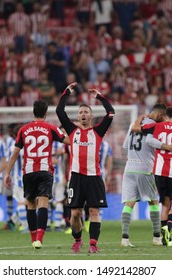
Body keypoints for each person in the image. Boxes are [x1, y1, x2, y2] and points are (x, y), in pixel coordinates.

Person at [56, 82, 115, 254]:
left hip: (94, 177)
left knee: (94, 211)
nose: (83, 114)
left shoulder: (98, 131)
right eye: (80, 112)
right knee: (75, 213)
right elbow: (60, 111)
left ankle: (93, 244)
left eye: (86, 112)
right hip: (76, 177)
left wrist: (100, 97)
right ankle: (77, 239)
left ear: (90, 116)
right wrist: (66, 92)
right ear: (78, 116)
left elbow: (111, 113)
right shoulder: (71, 129)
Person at [4, 100, 69, 249]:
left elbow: (15, 153)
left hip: (28, 171)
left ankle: (33, 239)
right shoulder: (51, 128)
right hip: (45, 170)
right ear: (46, 113)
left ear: (33, 112)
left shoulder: (23, 130)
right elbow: (68, 141)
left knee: (31, 204)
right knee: (43, 202)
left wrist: (7, 173)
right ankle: (40, 238)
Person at [133, 107, 172, 247]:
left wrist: (141, 118)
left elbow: (137, 129)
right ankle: (168, 228)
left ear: (165, 116)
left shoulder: (155, 126)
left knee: (165, 205)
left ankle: (164, 239)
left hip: (159, 171)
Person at [121, 104, 172, 247]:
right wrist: (168, 147)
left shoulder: (134, 124)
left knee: (129, 203)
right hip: (145, 168)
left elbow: (125, 146)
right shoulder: (155, 126)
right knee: (154, 202)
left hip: (129, 168)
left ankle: (124, 239)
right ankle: (156, 238)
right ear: (161, 116)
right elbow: (150, 141)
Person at [3, 123, 27, 232]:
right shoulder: (30, 144)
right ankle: (13, 221)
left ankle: (26, 227)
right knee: (30, 202)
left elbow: (9, 161)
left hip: (18, 178)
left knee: (21, 203)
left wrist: (7, 174)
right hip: (30, 176)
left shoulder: (13, 146)